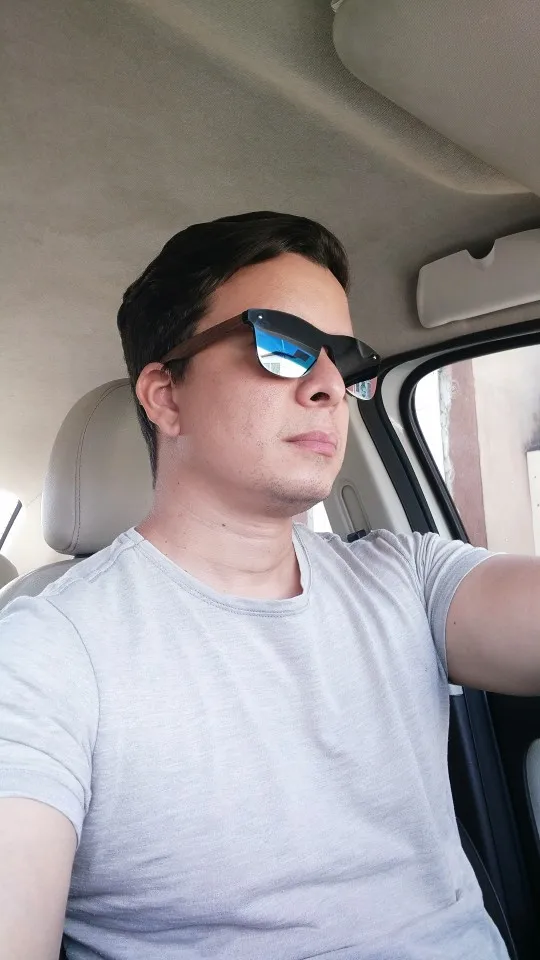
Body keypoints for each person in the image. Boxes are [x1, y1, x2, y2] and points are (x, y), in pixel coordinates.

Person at [0, 211, 537, 960]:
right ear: (166, 397)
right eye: (282, 345)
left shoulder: (404, 575)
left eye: (343, 360)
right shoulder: (47, 650)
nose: (329, 386)